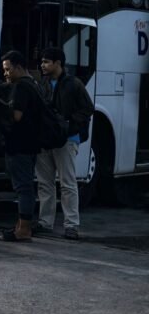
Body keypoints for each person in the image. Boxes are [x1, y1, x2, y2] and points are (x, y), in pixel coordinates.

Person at [35, 47, 94, 240]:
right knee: (45, 184)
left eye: (46, 62)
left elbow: (87, 109)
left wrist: (69, 125)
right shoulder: (42, 84)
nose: (42, 65)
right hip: (45, 140)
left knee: (67, 183)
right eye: (42, 62)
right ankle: (45, 222)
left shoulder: (74, 84)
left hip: (67, 140)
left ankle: (71, 225)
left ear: (58, 63)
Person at [0, 50, 42, 242]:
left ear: (19, 67)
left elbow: (16, 116)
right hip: (30, 143)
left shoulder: (22, 87)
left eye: (8, 69)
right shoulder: (34, 84)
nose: (5, 73)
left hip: (20, 144)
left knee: (23, 187)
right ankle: (21, 226)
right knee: (25, 186)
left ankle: (23, 229)